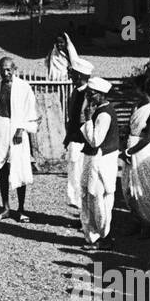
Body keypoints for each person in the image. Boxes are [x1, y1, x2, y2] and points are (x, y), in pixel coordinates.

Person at [0, 56, 38, 222]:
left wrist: (21, 128)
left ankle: (21, 209)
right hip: (1, 130)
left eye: (9, 69)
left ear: (14, 69)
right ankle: (5, 207)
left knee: (19, 167)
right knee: (2, 170)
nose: (6, 72)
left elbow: (30, 110)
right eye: (2, 69)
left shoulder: (23, 87)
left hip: (17, 129)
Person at [77, 76, 118, 248]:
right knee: (89, 198)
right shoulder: (99, 110)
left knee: (99, 201)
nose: (89, 98)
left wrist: (87, 120)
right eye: (88, 94)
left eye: (92, 95)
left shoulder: (104, 114)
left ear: (101, 95)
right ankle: (93, 236)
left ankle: (105, 237)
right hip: (93, 159)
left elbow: (95, 141)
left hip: (100, 162)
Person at [122, 74, 150, 237]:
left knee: (144, 187)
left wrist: (131, 151)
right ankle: (136, 220)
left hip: (144, 151)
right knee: (129, 187)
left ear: (142, 89)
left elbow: (149, 135)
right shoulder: (138, 106)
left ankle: (147, 224)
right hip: (132, 147)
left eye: (135, 89)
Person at [63, 56, 93, 213]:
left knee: (83, 179)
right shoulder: (75, 92)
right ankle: (80, 212)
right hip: (74, 140)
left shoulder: (90, 95)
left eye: (73, 74)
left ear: (80, 75)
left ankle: (85, 213)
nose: (71, 77)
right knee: (74, 177)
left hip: (85, 142)